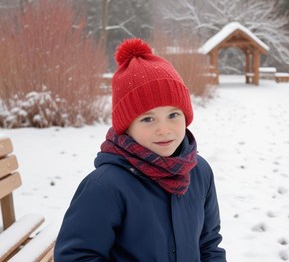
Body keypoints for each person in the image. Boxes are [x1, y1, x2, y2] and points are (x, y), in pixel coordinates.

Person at [54, 38, 226, 261]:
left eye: (173, 115)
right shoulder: (105, 186)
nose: (163, 130)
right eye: (148, 119)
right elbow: (76, 256)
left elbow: (209, 243)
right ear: (127, 127)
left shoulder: (199, 172)